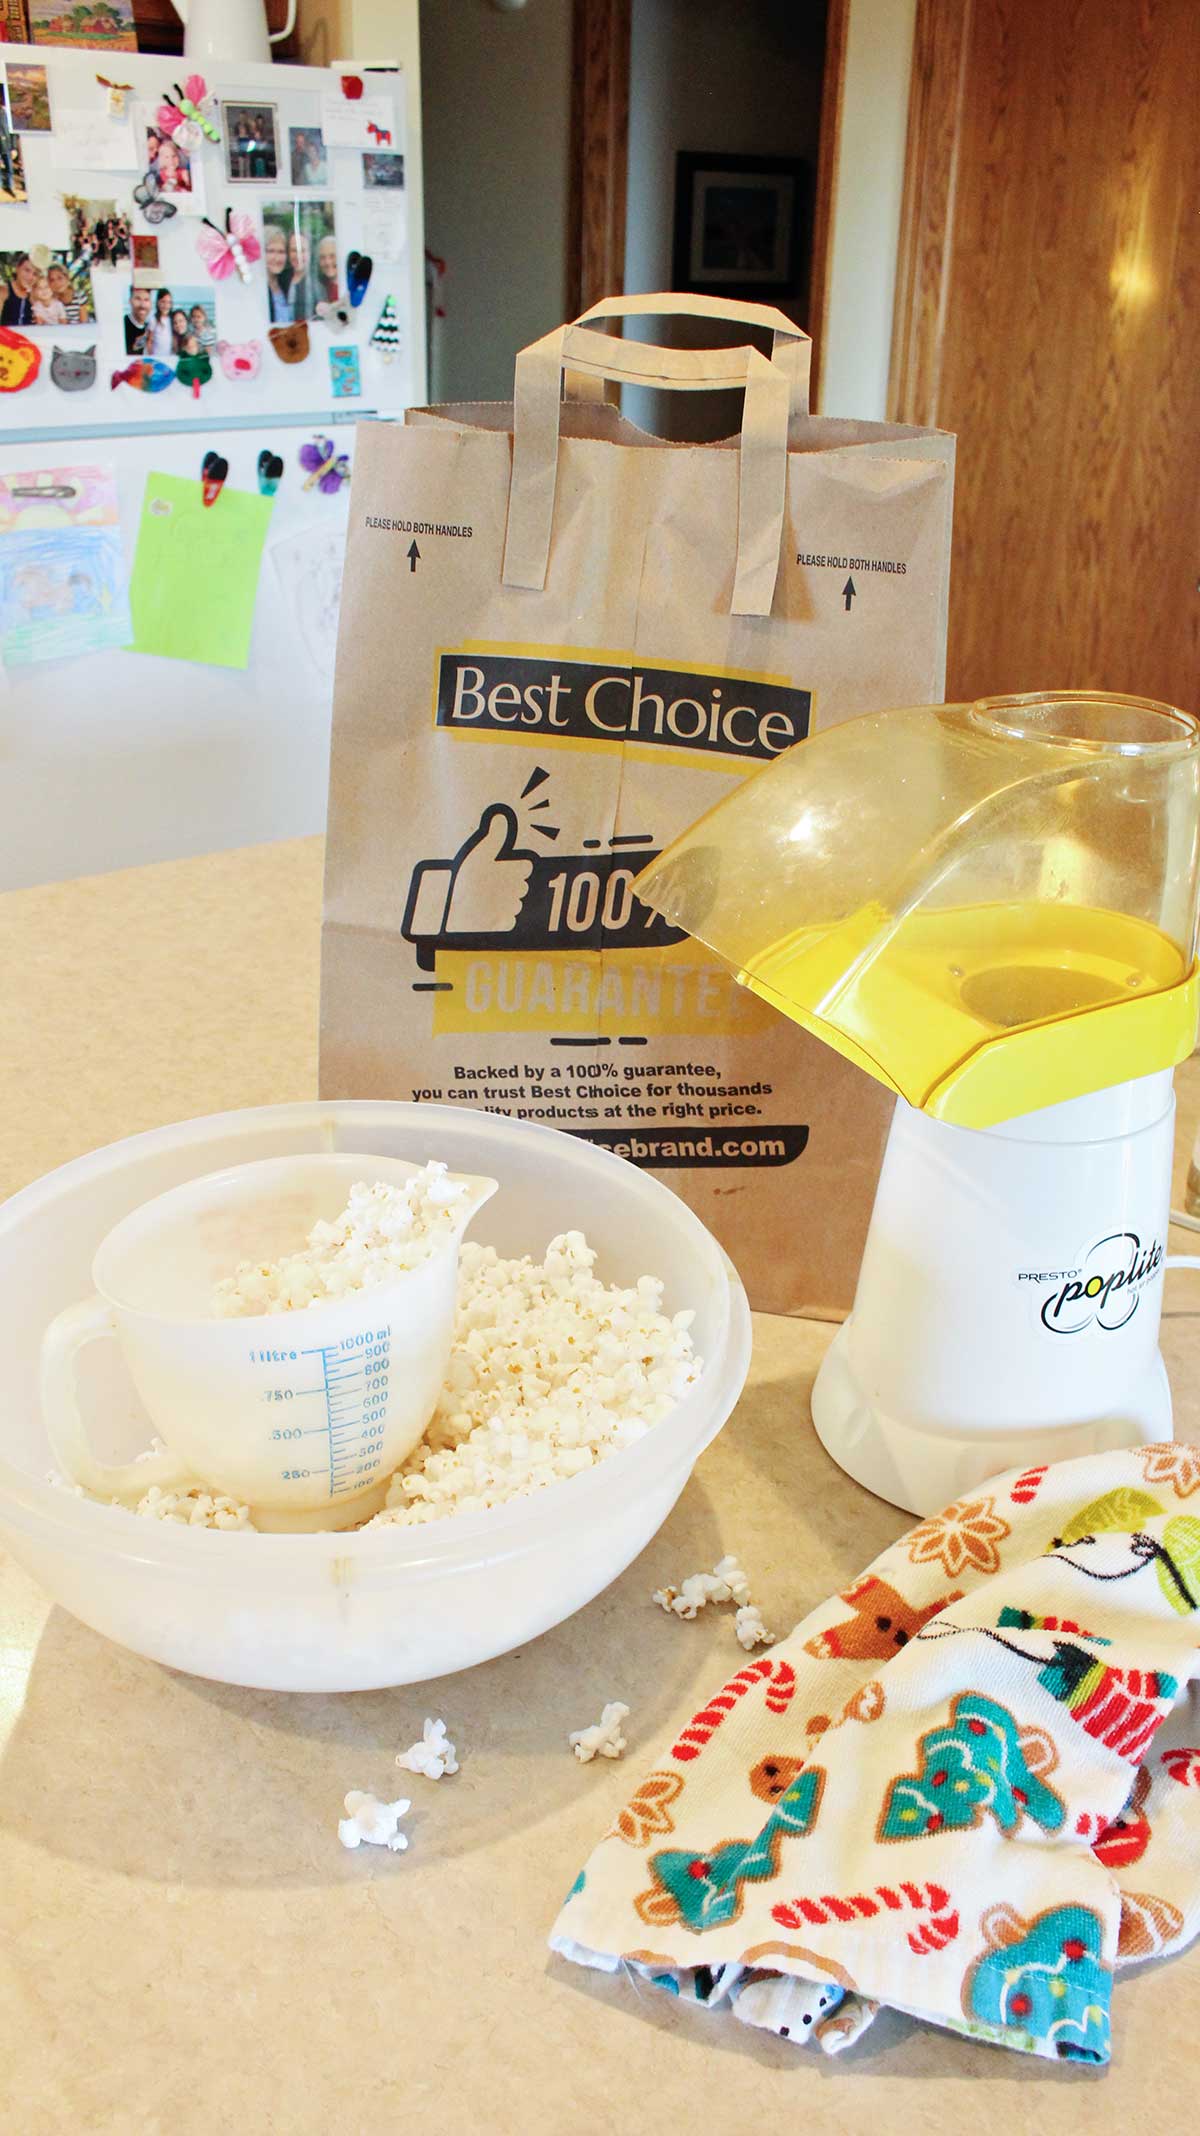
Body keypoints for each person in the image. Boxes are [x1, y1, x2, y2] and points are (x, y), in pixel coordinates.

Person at [286, 229, 317, 321]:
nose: (298, 255)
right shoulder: (281, 280)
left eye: (302, 251)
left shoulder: (317, 288)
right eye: (294, 250)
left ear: (310, 253)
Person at [264, 226, 292, 323]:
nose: (277, 258)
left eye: (281, 252)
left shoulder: (287, 283)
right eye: (271, 251)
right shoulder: (258, 289)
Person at [1, 254, 35, 326]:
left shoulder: (36, 294)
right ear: (17, 268)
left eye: (35, 273)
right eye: (27, 270)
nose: (30, 277)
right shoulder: (4, 291)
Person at [124, 283, 152, 355]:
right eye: (138, 299)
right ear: (130, 301)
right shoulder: (122, 326)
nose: (142, 305)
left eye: (146, 300)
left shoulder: (149, 327)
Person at [49, 262, 81, 326]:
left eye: (60, 278)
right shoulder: (50, 300)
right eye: (52, 280)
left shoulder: (79, 296)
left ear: (67, 278)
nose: (56, 283)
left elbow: (84, 323)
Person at [148, 288, 175, 362]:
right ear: (157, 302)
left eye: (169, 302)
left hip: (170, 357)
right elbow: (149, 341)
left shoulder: (172, 318)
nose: (166, 305)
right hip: (157, 357)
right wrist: (151, 358)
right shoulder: (153, 319)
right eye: (163, 301)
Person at [316, 234, 339, 305]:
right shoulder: (318, 288)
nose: (327, 262)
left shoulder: (349, 286)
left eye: (332, 256)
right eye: (323, 257)